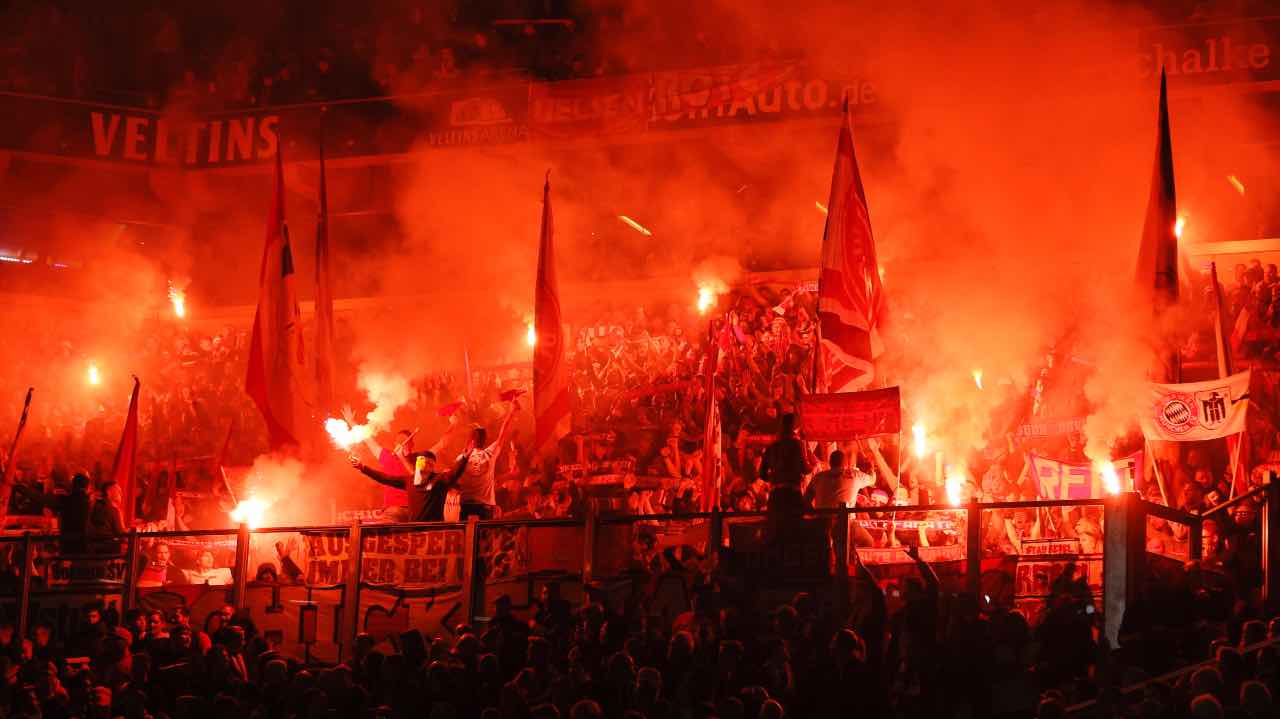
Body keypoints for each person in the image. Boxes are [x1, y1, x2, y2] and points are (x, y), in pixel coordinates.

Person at [349, 451, 469, 522]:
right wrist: (363, 468)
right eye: (422, 461)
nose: (424, 464)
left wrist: (464, 458)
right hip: (414, 529)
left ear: (432, 467)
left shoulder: (439, 480)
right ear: (417, 463)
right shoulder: (409, 481)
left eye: (429, 463)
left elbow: (453, 474)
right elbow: (385, 478)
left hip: (434, 530)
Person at [457, 398, 521, 519]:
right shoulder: (489, 454)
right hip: (484, 508)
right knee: (484, 537)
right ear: (485, 440)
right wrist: (511, 412)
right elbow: (503, 433)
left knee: (468, 537)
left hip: (466, 507)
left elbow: (454, 478)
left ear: (470, 441)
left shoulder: (461, 458)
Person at [759, 413, 810, 518]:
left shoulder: (771, 447)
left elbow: (762, 474)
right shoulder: (797, 445)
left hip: (775, 495)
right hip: (792, 494)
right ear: (793, 428)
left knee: (776, 528)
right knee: (794, 527)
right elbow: (805, 469)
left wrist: (776, 478)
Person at [87, 481, 127, 553]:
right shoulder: (112, 509)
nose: (121, 494)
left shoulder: (95, 505)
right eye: (118, 491)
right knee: (140, 555)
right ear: (109, 492)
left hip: (91, 546)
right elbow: (121, 534)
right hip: (107, 547)